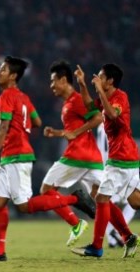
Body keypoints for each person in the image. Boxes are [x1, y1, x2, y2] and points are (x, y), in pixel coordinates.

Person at [0, 56, 95, 262]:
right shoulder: (23, 98)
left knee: (23, 206)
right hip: (12, 156)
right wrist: (22, 127)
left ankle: (75, 199)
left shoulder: (5, 97)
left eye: (2, 70)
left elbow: (3, 127)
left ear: (13, 76)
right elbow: (36, 121)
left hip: (17, 156)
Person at [72, 64, 140, 258]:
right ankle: (128, 237)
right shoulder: (106, 98)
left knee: (101, 197)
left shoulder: (120, 97)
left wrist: (100, 91)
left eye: (100, 77)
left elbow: (112, 114)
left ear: (110, 81)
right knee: (135, 202)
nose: (97, 79)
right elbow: (90, 108)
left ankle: (96, 246)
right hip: (123, 157)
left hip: (122, 158)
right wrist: (83, 84)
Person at [40, 60, 104, 247]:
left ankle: (76, 222)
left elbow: (97, 117)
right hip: (92, 159)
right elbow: (75, 130)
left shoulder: (76, 100)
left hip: (77, 156)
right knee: (104, 199)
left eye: (53, 81)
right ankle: (126, 236)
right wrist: (57, 133)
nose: (51, 86)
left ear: (63, 80)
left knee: (46, 190)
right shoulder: (68, 103)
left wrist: (75, 133)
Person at [97, 123, 137, 248]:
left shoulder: (100, 126)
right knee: (131, 203)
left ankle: (112, 238)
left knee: (108, 204)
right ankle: (117, 232)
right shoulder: (115, 124)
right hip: (117, 166)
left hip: (105, 166)